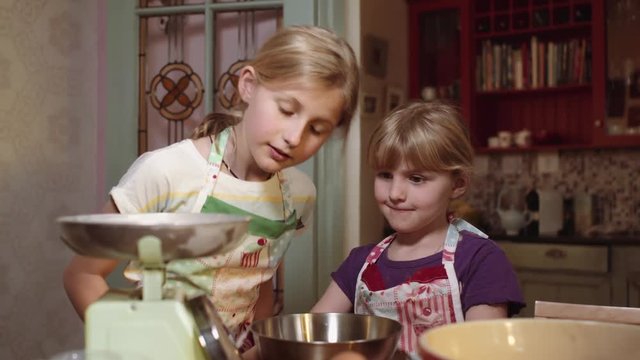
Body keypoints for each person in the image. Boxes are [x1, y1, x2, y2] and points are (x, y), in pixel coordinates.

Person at [63, 25, 360, 352]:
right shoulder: (165, 172)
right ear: (249, 86)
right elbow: (81, 277)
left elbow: (259, 282)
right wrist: (131, 346)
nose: (294, 136)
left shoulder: (299, 196)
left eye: (317, 129)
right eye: (286, 110)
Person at [311, 101, 525, 359]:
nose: (395, 194)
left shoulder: (480, 260)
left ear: (457, 184)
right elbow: (311, 335)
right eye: (385, 175)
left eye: (416, 179)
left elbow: (484, 352)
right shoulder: (360, 264)